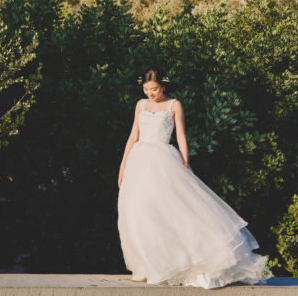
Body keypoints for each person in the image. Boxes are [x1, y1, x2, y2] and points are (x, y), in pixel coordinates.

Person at [117, 66, 274, 289]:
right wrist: (123, 166)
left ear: (163, 85)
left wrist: (184, 164)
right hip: (139, 162)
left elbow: (181, 135)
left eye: (153, 88)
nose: (149, 93)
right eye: (145, 89)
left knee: (169, 212)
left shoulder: (174, 105)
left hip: (163, 161)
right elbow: (133, 135)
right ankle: (146, 265)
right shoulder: (141, 105)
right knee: (138, 212)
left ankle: (172, 263)